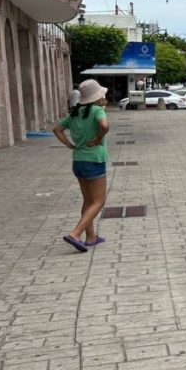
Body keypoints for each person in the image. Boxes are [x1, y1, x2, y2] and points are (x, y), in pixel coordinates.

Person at [53, 79, 109, 252]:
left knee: (88, 200)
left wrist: (69, 144)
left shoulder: (75, 113)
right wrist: (99, 138)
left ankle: (90, 237)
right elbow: (104, 125)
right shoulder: (96, 110)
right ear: (97, 97)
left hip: (78, 160)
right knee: (99, 201)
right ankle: (75, 233)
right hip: (94, 160)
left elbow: (56, 129)